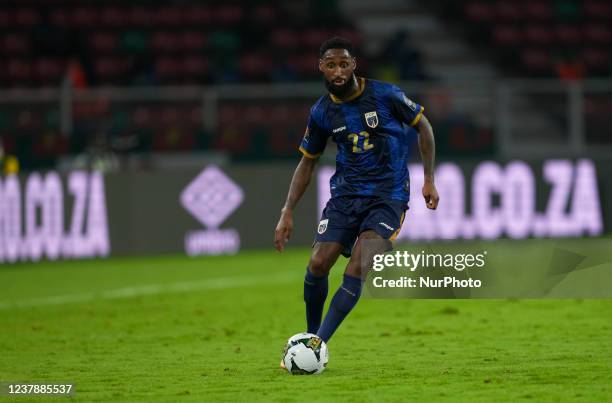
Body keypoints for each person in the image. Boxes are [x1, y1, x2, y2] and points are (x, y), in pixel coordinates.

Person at [274, 37, 439, 353]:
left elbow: (425, 127)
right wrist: (287, 210)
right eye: (331, 64)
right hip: (345, 198)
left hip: (388, 197)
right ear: (321, 67)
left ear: (354, 65)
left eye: (343, 64)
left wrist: (428, 179)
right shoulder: (321, 112)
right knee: (319, 263)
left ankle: (317, 344)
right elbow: (307, 162)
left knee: (358, 265)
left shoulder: (385, 95)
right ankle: (311, 336)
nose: (338, 71)